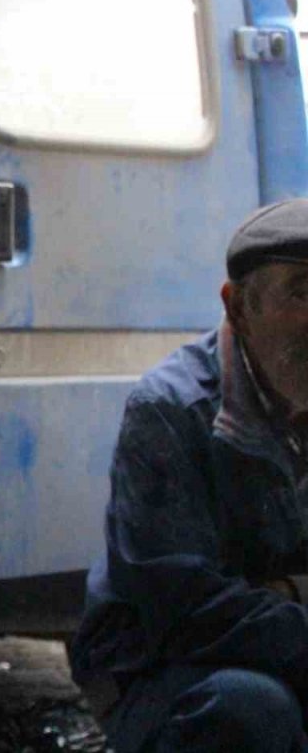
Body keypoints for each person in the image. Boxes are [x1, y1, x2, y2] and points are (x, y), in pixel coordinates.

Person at [70, 198, 308, 752]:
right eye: (302, 292)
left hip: (282, 647)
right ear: (238, 307)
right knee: (249, 710)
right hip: (158, 666)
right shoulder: (170, 408)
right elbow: (187, 610)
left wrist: (284, 594)